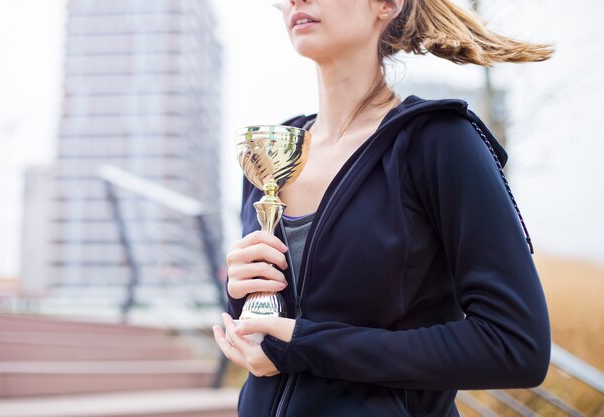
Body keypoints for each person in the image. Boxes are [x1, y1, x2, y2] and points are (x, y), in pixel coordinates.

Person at [212, 0, 554, 416]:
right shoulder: (271, 153)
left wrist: (307, 346)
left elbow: (514, 347)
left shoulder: (438, 141)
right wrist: (241, 300)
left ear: (388, 5)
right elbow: (275, 332)